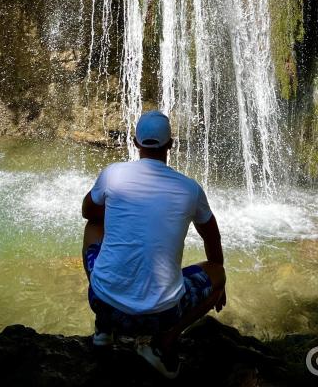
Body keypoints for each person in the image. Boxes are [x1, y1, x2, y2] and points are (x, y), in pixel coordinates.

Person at [81, 109, 226, 379]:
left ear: (135, 143)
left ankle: (104, 329)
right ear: (171, 144)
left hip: (102, 301)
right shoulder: (189, 189)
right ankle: (162, 343)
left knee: (93, 226)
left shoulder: (112, 175)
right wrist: (220, 285)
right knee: (217, 273)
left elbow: (88, 212)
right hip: (162, 315)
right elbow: (211, 236)